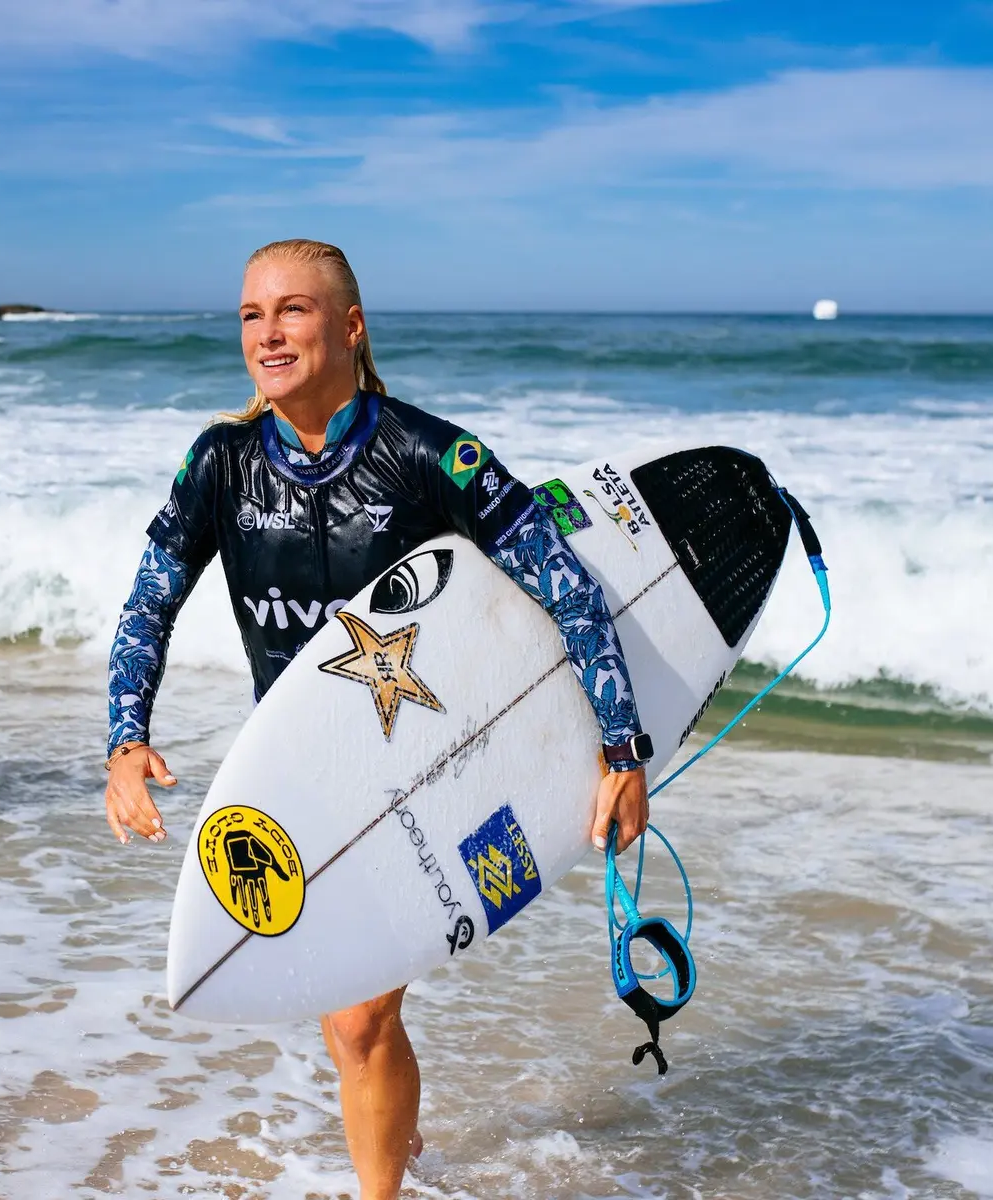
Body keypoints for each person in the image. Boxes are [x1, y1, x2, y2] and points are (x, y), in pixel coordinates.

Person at [102, 239, 651, 1199]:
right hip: (306, 773)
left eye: (293, 311)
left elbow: (569, 589)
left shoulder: (432, 453)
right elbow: (149, 601)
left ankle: (379, 1187)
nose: (267, 333)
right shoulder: (220, 464)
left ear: (349, 326)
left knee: (356, 1018)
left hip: (431, 768)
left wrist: (619, 748)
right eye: (250, 315)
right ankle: (399, 1142)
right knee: (348, 1012)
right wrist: (124, 739)